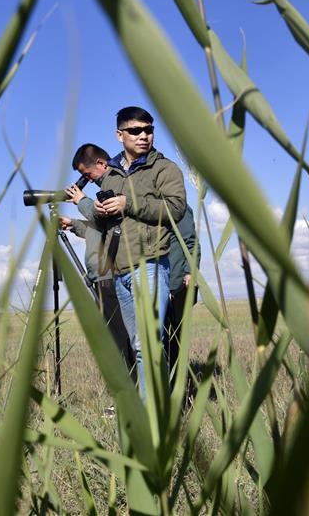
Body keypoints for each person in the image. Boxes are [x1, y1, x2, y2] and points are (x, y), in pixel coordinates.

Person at [91, 106, 187, 398]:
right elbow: (109, 222)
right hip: (119, 270)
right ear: (119, 135)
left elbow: (175, 209)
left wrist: (128, 203)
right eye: (135, 131)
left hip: (150, 264)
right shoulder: (110, 174)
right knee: (138, 345)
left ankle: (151, 417)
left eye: (148, 130)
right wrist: (98, 211)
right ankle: (156, 408)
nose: (143, 136)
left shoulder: (164, 168)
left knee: (147, 344)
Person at [59, 143, 137, 383]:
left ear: (101, 164)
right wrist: (72, 224)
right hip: (102, 276)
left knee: (122, 339)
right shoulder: (103, 191)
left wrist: (81, 200)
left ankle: (131, 393)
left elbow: (102, 216)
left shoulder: (114, 183)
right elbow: (98, 229)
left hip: (112, 274)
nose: (88, 181)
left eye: (87, 175)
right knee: (116, 338)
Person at [163, 204, 199, 382]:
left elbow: (191, 242)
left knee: (175, 340)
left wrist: (190, 271)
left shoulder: (178, 207)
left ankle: (178, 386)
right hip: (160, 282)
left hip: (177, 283)